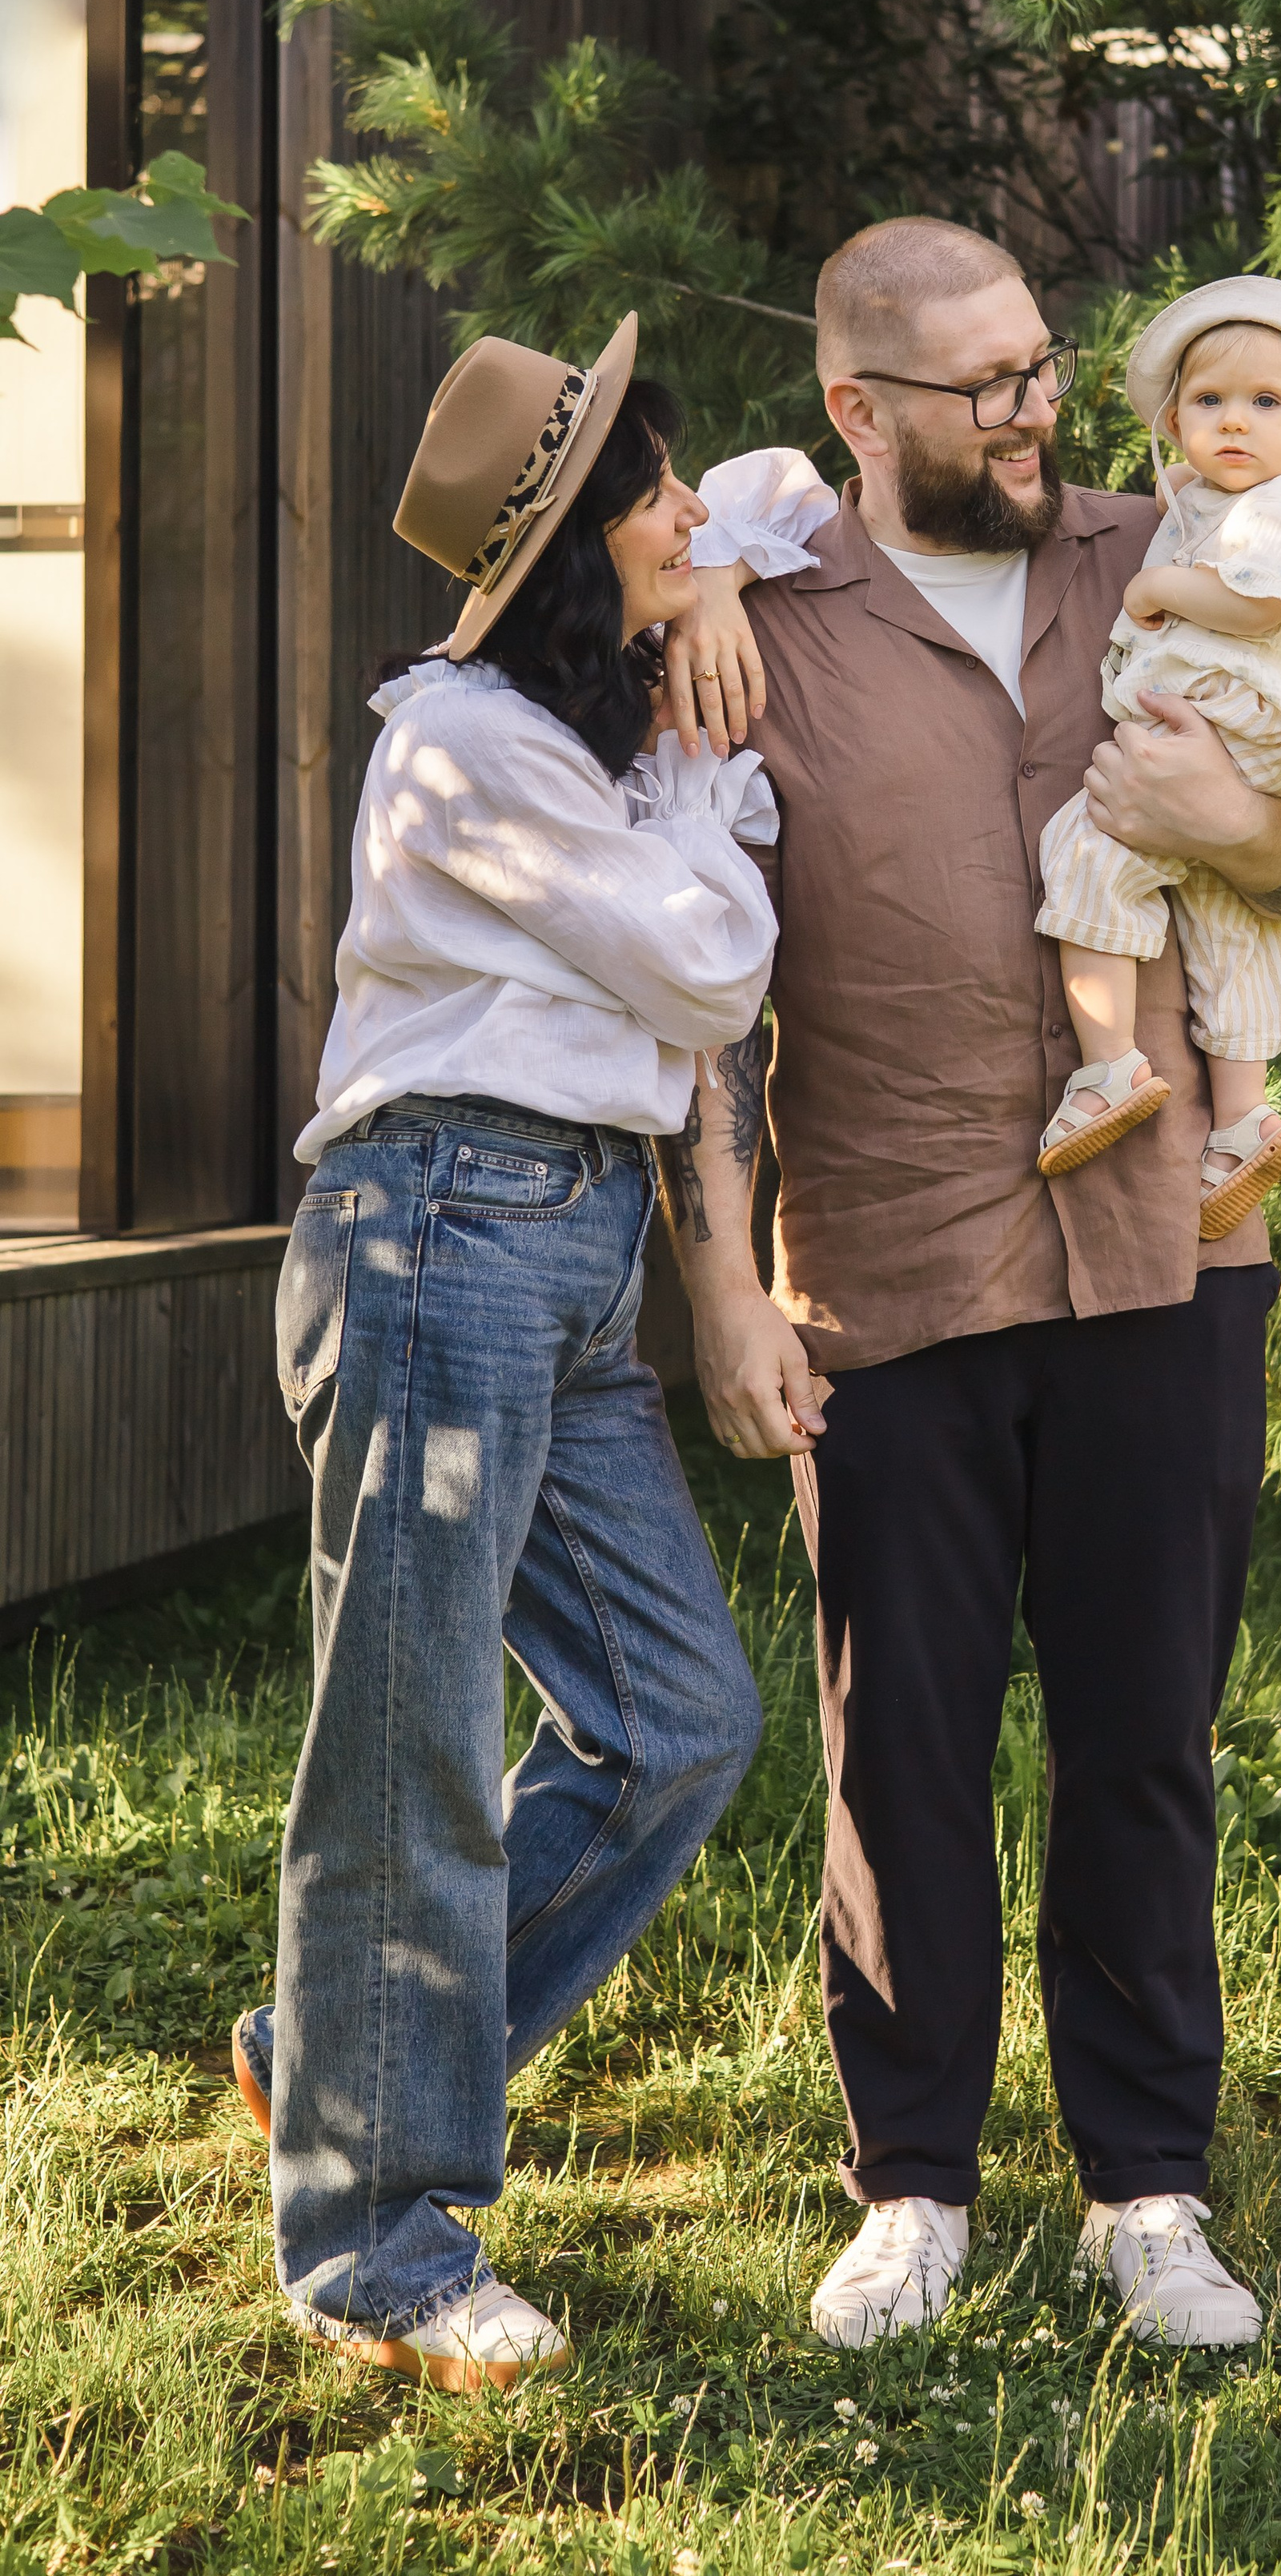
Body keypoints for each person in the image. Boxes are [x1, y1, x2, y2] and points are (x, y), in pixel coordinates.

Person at [669, 219, 1281, 2353]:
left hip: (1175, 1244)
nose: (1035, 407)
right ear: (855, 413)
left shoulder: (1178, 540)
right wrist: (724, 1282)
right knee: (896, 1743)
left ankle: (1145, 2186)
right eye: (979, 384)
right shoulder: (753, 626)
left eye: (1044, 365)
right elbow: (698, 987)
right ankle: (913, 2186)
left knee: (1144, 1728)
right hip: (882, 1261)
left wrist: (1261, 842)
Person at [231, 316, 775, 2392]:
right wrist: (719, 781)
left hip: (571, 1254)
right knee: (416, 1742)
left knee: (677, 1721)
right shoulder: (468, 739)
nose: (691, 513)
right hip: (440, 1235)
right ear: (560, 552)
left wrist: (709, 580)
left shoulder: (588, 717)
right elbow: (711, 962)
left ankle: (335, 2051)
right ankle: (378, 2240)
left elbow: (797, 500)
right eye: (650, 498)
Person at [1034, 276, 1281, 1236]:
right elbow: (1198, 508)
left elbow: (1260, 606)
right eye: (1208, 403)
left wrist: (1160, 584)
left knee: (1091, 846)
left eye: (1265, 404)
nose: (1233, 422)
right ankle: (1243, 1120)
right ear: (1173, 417)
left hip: (1233, 719)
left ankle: (1107, 1070)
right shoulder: (1216, 500)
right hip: (1268, 743)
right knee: (1229, 912)